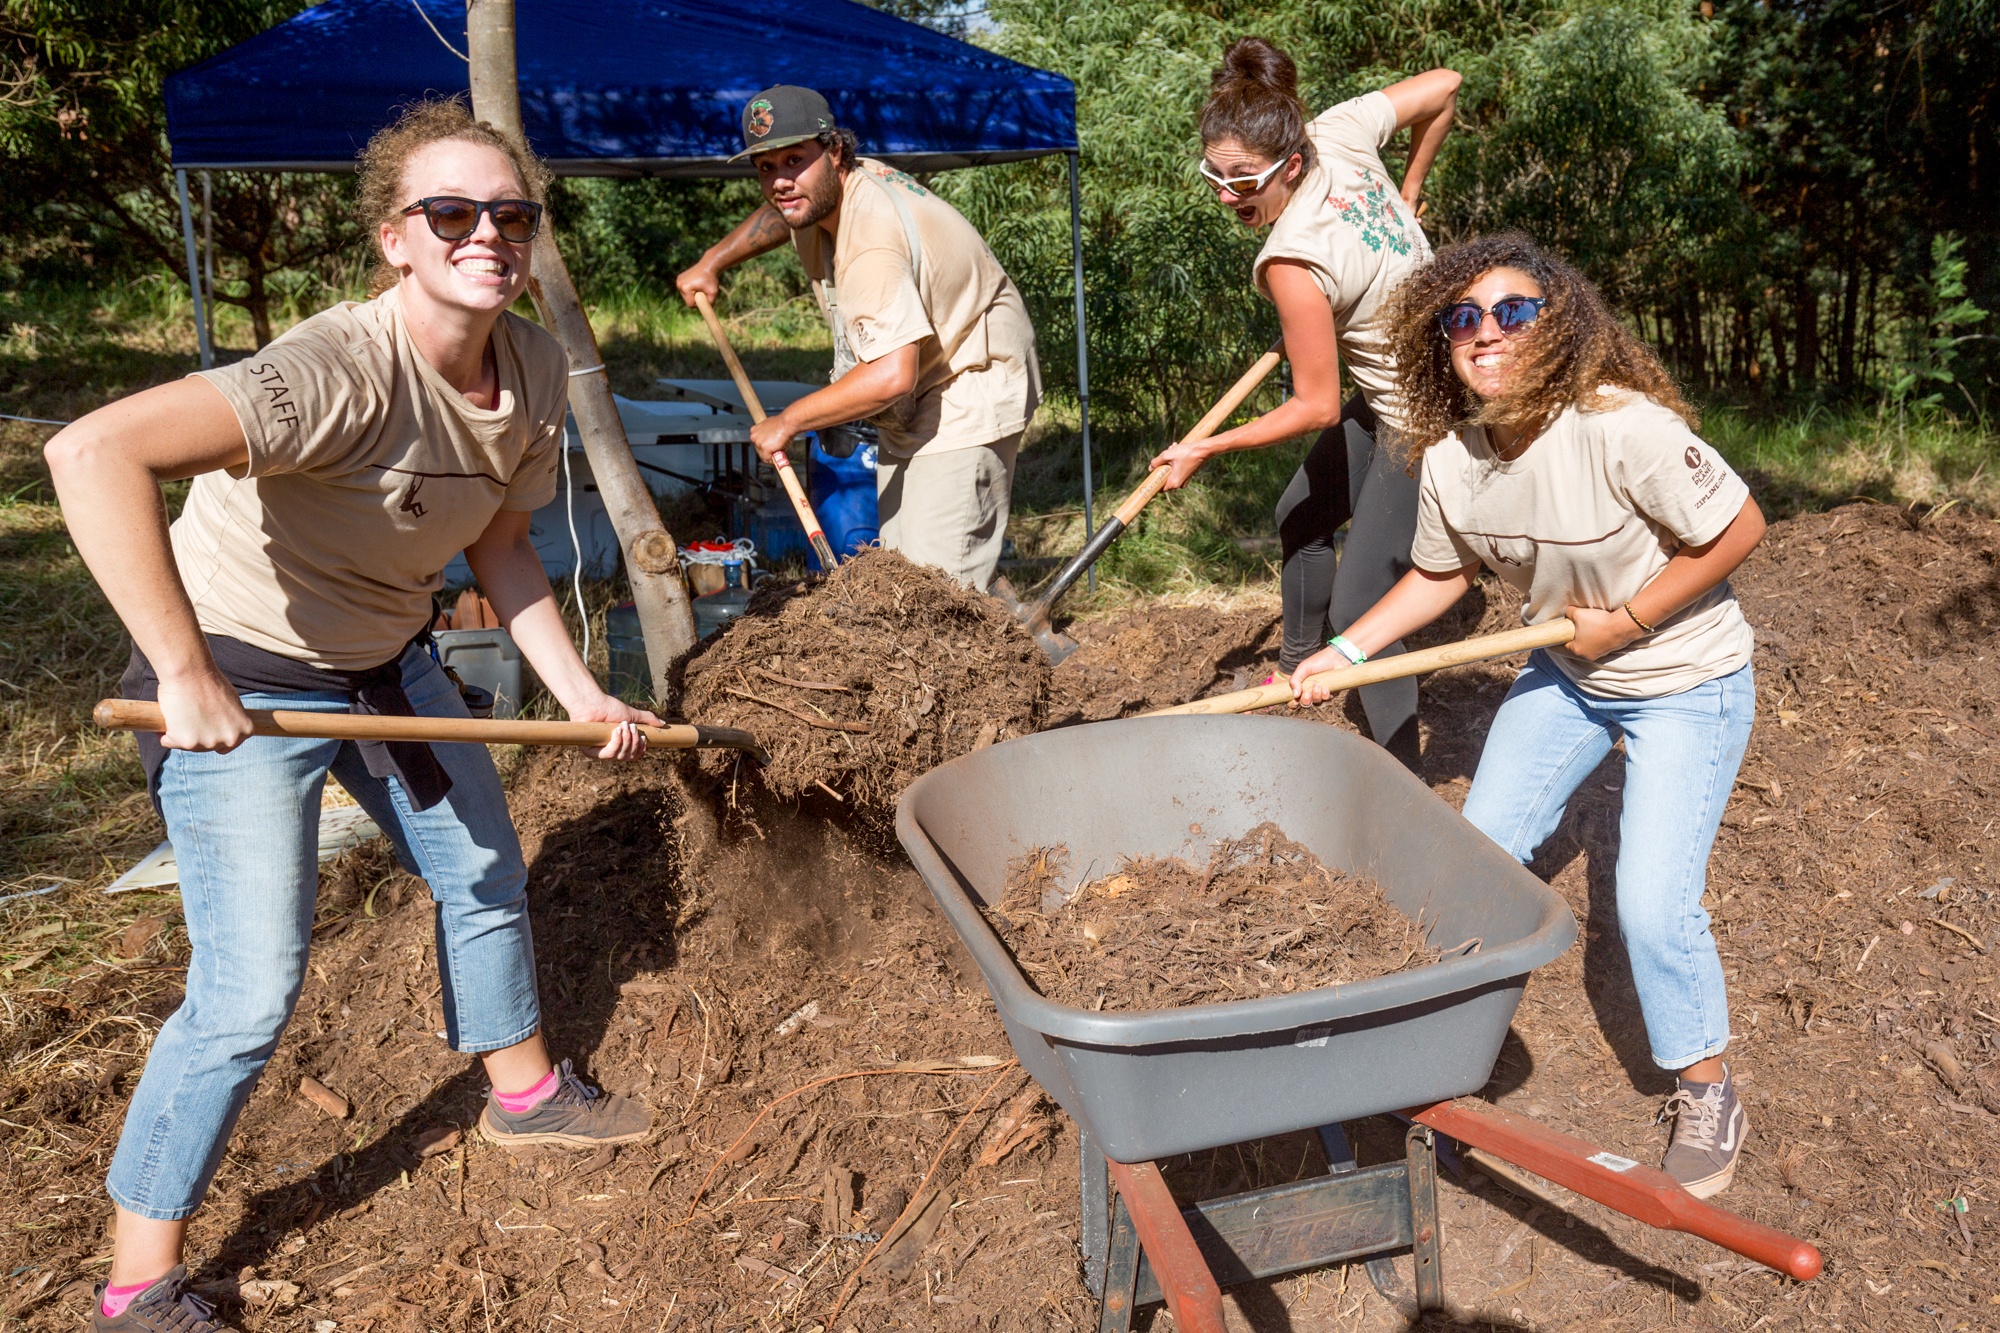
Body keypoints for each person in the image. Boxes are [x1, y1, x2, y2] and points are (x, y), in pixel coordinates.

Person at [45, 101, 661, 1333]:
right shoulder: (333, 366)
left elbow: (498, 538)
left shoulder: (531, 367)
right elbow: (91, 452)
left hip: (389, 665)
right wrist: (184, 672)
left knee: (484, 870)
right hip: (245, 676)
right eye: (451, 213)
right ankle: (135, 1284)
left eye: (510, 214)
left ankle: (523, 1095)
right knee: (246, 993)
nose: (485, 233)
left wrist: (579, 687)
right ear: (397, 238)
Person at [1292, 233, 1767, 1198]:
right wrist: (1341, 653)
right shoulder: (1455, 459)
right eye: (1462, 320)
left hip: (1685, 677)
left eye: (1512, 312)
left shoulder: (1620, 426)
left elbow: (1739, 526)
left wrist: (1630, 617)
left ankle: (1706, 1084)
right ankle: (1436, 1051)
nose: (1485, 334)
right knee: (1479, 850)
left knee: (1647, 903)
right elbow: (1440, 573)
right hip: (1571, 676)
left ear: (1558, 327)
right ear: (1441, 346)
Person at [1151, 39, 1461, 769]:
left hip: (1428, 418)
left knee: (1360, 612)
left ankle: (1400, 776)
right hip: (1393, 395)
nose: (1228, 196)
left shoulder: (1290, 259)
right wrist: (1409, 190)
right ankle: (1300, 675)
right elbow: (1444, 87)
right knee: (1301, 512)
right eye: (1215, 176)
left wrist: (1205, 446)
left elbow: (1317, 406)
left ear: (1290, 164)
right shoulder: (1338, 130)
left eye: (1244, 180)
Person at [676, 85, 1040, 592]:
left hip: (969, 379)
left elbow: (891, 376)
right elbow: (782, 214)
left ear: (836, 151)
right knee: (902, 568)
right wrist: (713, 261)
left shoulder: (870, 241)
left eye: (794, 160)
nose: (780, 180)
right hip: (925, 382)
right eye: (765, 167)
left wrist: (789, 421)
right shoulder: (821, 193)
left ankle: (987, 646)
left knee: (934, 594)